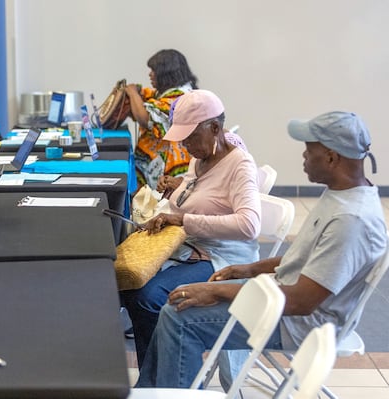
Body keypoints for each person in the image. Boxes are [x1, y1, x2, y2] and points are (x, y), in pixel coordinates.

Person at [136, 111, 387, 388]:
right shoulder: (342, 195)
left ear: (331, 157)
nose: (303, 157)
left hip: (301, 321)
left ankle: (167, 394)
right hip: (283, 297)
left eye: (309, 150)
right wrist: (251, 269)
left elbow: (301, 301)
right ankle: (150, 392)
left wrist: (216, 290)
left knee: (179, 315)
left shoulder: (350, 220)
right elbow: (308, 261)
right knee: (177, 304)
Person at [121, 90, 261, 369]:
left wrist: (184, 220)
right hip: (191, 248)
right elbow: (199, 196)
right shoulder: (201, 157)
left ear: (215, 128)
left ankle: (164, 378)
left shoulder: (240, 165)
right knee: (130, 286)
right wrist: (177, 191)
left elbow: (249, 225)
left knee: (149, 297)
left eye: (190, 137)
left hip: (224, 259)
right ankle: (156, 375)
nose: (185, 145)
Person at [126, 49, 198, 189]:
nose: (150, 74)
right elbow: (150, 99)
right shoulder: (174, 92)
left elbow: (144, 118)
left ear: (165, 73)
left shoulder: (179, 98)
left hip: (168, 166)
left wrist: (132, 92)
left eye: (153, 70)